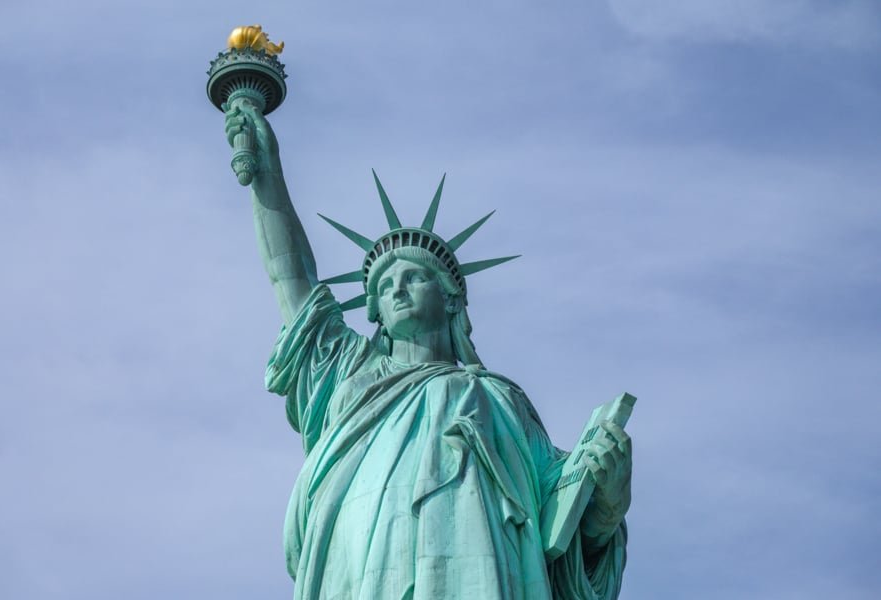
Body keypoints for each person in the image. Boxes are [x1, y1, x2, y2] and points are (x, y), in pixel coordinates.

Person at [224, 100, 632, 599]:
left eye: (414, 276)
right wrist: (268, 173)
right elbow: (292, 280)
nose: (397, 289)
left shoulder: (500, 401)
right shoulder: (350, 376)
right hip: (363, 570)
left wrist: (606, 502)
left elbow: (559, 529)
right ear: (374, 310)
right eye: (385, 284)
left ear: (452, 298)